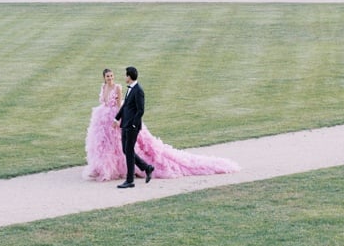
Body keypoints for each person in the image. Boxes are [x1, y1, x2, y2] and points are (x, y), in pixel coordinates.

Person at [83, 66, 240, 184]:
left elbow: (120, 106)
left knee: (124, 147)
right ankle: (107, 169)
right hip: (103, 118)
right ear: (104, 78)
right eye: (108, 76)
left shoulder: (121, 88)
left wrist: (120, 120)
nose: (110, 78)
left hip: (121, 119)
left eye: (112, 76)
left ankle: (135, 172)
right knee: (105, 145)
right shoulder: (104, 87)